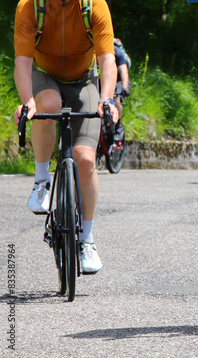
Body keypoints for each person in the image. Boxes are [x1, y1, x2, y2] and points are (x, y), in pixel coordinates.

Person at [14, 0, 119, 273]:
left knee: (85, 159)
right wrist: (28, 102)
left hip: (84, 80)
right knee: (46, 105)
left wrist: (106, 99)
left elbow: (107, 58)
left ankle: (86, 240)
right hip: (45, 76)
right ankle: (41, 183)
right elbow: (23, 62)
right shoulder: (29, 7)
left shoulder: (94, 6)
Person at [112, 38, 131, 141]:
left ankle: (118, 127)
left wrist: (124, 88)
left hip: (118, 80)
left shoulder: (117, 52)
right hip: (104, 80)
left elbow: (124, 71)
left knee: (116, 100)